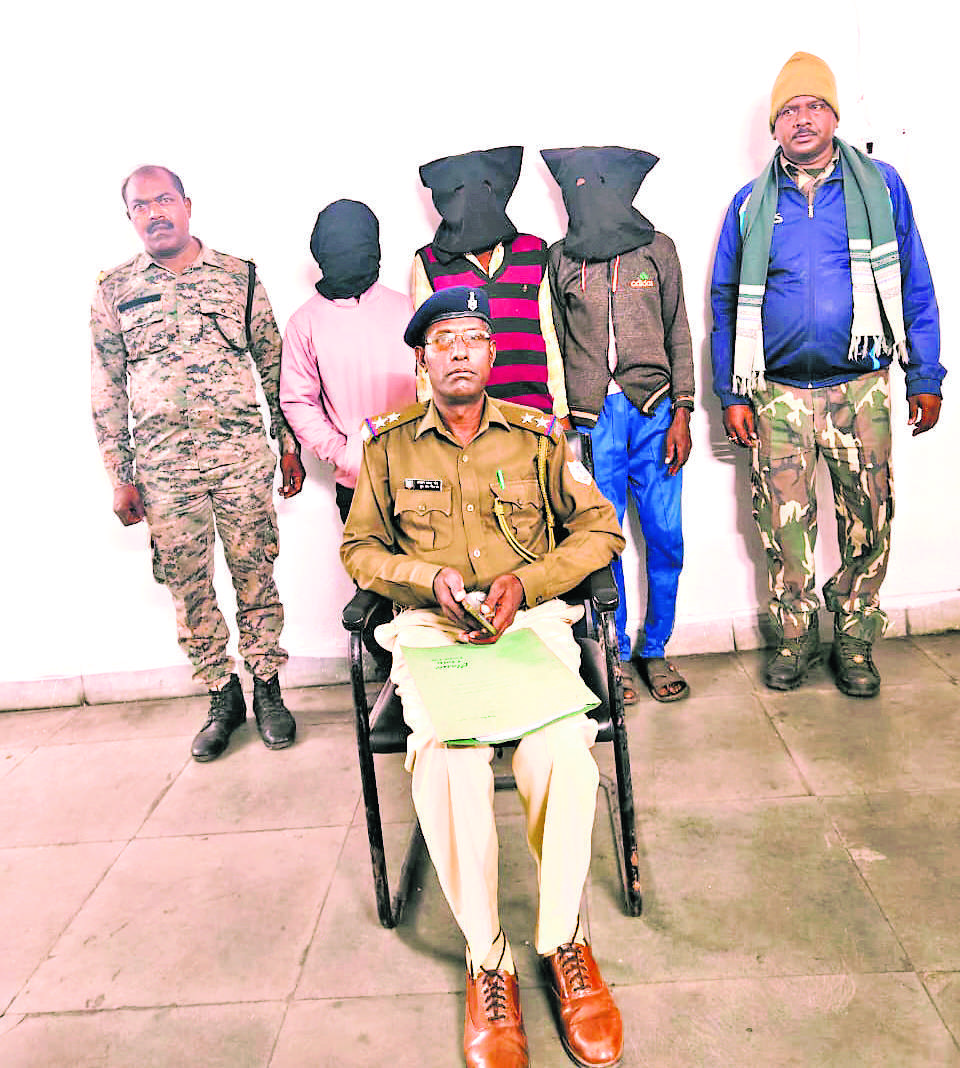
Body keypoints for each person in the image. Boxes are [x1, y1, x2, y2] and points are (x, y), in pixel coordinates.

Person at [341, 286, 625, 1068]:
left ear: (493, 353)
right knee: (449, 761)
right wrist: (422, 578)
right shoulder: (388, 447)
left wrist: (527, 584)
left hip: (527, 624)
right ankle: (488, 959)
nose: (460, 351)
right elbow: (359, 549)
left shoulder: (539, 437)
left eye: (473, 336)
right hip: (434, 631)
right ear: (422, 360)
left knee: (562, 753)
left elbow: (600, 529)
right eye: (443, 340)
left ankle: (563, 942)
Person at [710, 52, 944, 697]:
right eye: (788, 110)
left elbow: (915, 282)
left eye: (814, 106)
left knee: (870, 520)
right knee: (782, 529)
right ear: (775, 126)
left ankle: (855, 640)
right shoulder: (750, 205)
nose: (802, 119)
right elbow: (725, 301)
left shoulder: (880, 187)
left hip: (860, 388)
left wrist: (926, 375)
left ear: (834, 117)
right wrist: (732, 392)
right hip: (776, 393)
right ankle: (794, 639)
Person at [91, 164, 305, 761]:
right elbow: (106, 385)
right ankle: (221, 695)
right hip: (163, 471)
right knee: (188, 587)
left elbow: (274, 365)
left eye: (164, 200)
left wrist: (288, 443)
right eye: (141, 206)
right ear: (130, 217)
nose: (155, 213)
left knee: (255, 574)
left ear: (187, 204)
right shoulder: (114, 289)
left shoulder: (239, 277)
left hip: (240, 460)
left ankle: (267, 688)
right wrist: (120, 475)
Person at [544, 146, 695, 704]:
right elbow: (556, 340)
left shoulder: (658, 249)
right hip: (591, 421)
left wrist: (683, 410)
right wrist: (564, 417)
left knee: (664, 535)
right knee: (600, 542)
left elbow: (679, 331)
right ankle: (613, 653)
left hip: (655, 413)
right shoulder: (560, 259)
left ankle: (654, 649)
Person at [280, 198, 415, 523]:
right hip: (357, 484)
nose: (352, 253)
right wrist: (344, 454)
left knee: (435, 558)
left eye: (361, 244)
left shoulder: (408, 308)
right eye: (341, 246)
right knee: (368, 559)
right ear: (321, 252)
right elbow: (298, 401)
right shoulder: (305, 322)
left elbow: (435, 384)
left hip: (421, 473)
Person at [413, 146, 569, 420]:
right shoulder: (429, 261)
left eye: (484, 186)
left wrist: (561, 412)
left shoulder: (533, 251)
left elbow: (548, 333)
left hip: (534, 414)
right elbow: (429, 346)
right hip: (466, 420)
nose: (473, 198)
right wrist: (429, 418)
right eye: (460, 189)